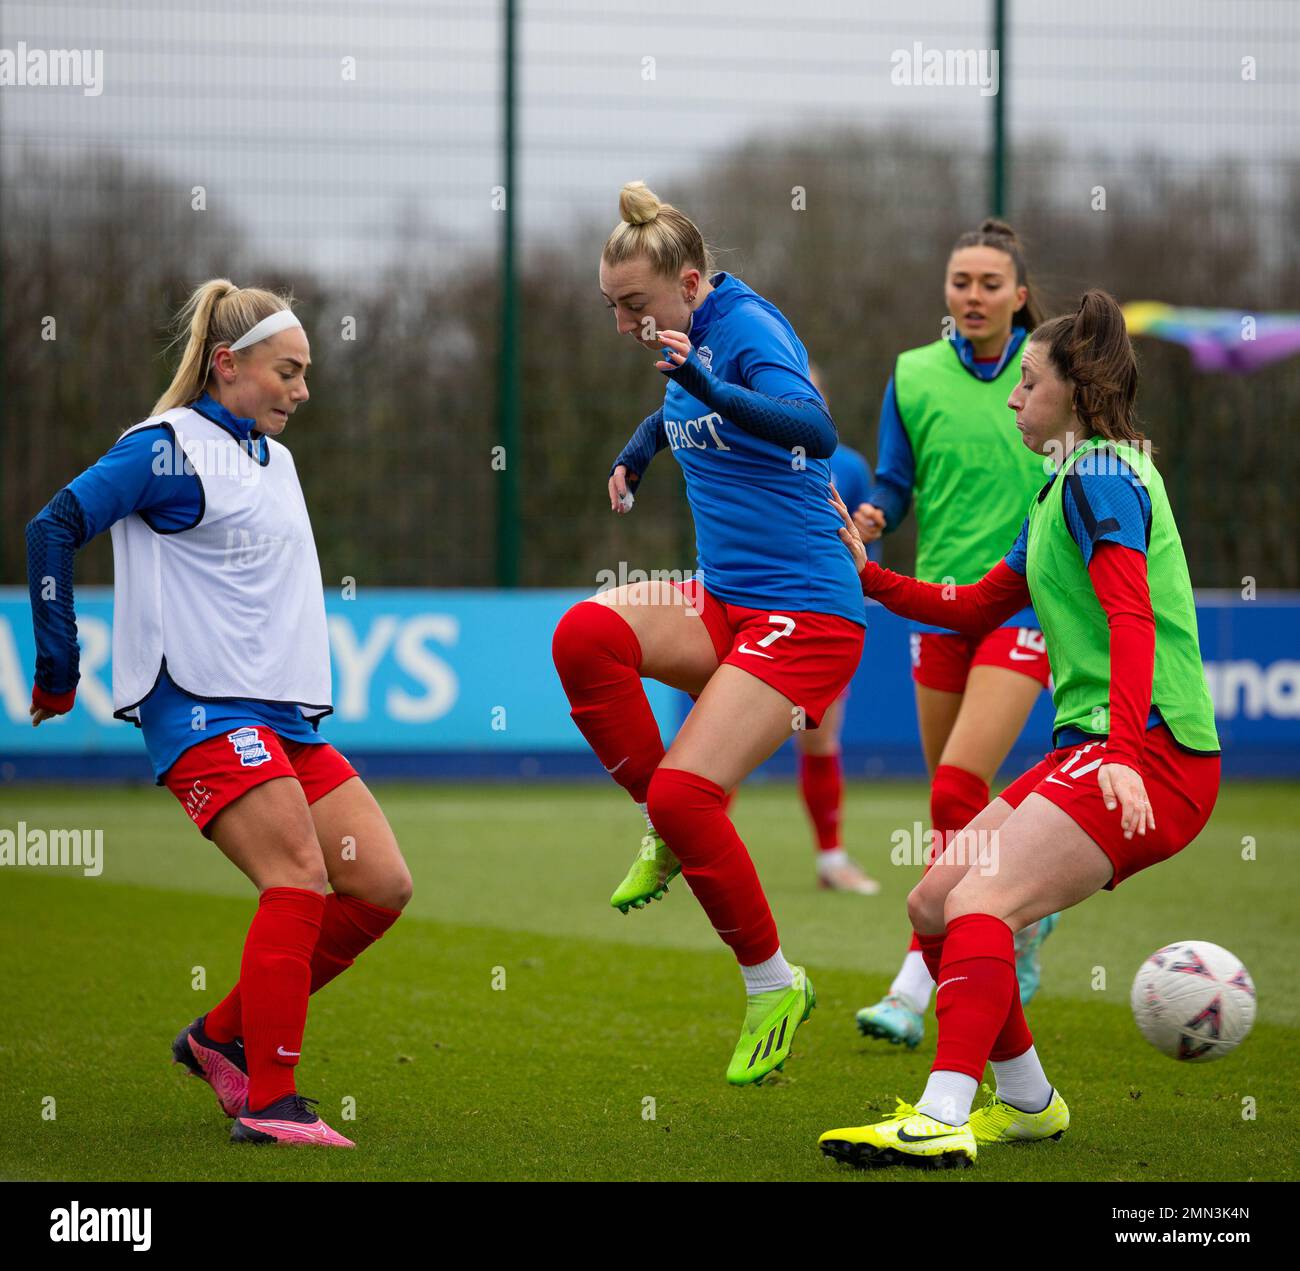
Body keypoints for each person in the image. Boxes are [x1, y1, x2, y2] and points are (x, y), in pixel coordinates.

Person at [818, 290, 1221, 1169]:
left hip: (1153, 754)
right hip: (1096, 750)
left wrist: (1120, 750)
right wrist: (868, 572)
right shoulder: (1062, 486)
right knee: (932, 901)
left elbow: (1131, 617)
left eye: (1028, 382)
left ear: (1075, 390)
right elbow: (968, 609)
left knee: (979, 902)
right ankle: (1031, 1102)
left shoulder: (1106, 475)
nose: (1011, 398)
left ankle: (942, 1111)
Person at [26, 280, 412, 1147]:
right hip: (199, 707)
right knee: (298, 878)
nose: (303, 390)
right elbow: (51, 526)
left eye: (306, 372)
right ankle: (272, 1100)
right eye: (288, 370)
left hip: (285, 718)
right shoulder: (164, 449)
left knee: (382, 885)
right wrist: (59, 665)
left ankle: (218, 1036)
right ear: (226, 364)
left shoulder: (276, 457)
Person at [551, 181, 866, 1084]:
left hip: (804, 612)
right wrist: (638, 449)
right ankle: (668, 826)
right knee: (583, 636)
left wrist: (704, 383)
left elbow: (811, 426)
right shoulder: (693, 333)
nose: (624, 324)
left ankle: (774, 984)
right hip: (727, 595)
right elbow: (679, 407)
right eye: (612, 308)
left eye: (634, 306)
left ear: (690, 283)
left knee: (691, 800)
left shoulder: (749, 327)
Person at [853, 220, 1060, 1051]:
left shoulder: (1048, 375)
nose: (971, 295)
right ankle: (1017, 924)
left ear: (1018, 294)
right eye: (959, 281)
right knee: (954, 799)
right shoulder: (911, 375)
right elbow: (895, 484)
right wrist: (873, 515)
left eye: (988, 283)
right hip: (938, 607)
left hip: (1019, 604)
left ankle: (916, 977)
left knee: (956, 783)